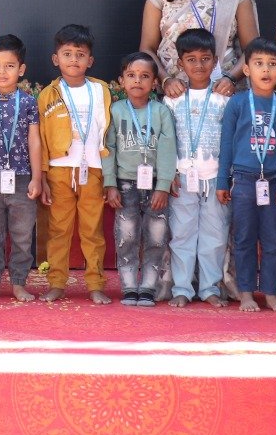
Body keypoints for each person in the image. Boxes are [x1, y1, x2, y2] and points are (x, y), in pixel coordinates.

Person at [37, 24, 115, 304]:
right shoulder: (48, 94)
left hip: (92, 169)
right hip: (59, 170)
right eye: (67, 54)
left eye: (80, 54)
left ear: (90, 60)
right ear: (55, 58)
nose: (73, 60)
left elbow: (107, 131)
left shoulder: (100, 90)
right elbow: (41, 137)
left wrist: (109, 175)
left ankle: (95, 284)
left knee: (92, 230)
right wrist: (42, 175)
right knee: (59, 229)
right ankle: (57, 283)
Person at [218, 37, 276, 312]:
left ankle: (272, 293)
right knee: (244, 239)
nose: (266, 69)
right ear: (246, 69)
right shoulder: (237, 103)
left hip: (274, 183)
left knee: (274, 241)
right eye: (259, 63)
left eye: (272, 64)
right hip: (243, 181)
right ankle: (247, 293)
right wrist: (222, 181)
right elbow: (226, 145)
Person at [0, 34, 41, 302]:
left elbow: (34, 140)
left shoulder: (28, 102)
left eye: (10, 66)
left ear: (21, 69)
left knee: (22, 235)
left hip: (22, 179)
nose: (2, 72)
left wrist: (37, 177)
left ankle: (19, 283)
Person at [166, 29, 232, 308]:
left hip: (215, 177)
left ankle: (209, 287)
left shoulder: (224, 97)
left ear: (215, 61)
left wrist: (226, 178)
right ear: (180, 63)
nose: (199, 65)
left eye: (205, 59)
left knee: (215, 235)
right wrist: (168, 174)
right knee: (181, 233)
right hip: (182, 178)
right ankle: (181, 287)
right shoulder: (172, 98)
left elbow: (230, 140)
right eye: (191, 59)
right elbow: (166, 140)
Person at [105, 52, 176, 306]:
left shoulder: (161, 112)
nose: (138, 81)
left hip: (155, 185)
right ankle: (128, 287)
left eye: (145, 76)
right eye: (131, 75)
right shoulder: (115, 111)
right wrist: (110, 184)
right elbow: (109, 149)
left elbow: (168, 149)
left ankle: (148, 287)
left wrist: (164, 186)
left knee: (156, 237)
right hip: (125, 185)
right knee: (126, 237)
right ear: (121, 81)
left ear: (154, 82)